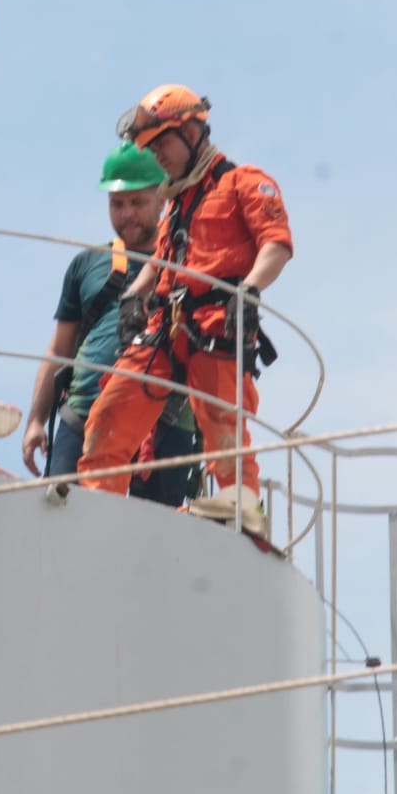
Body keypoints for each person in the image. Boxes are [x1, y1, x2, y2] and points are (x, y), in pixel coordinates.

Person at [77, 85, 293, 537]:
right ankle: (96, 509)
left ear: (193, 131)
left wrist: (249, 291)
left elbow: (276, 244)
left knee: (222, 427)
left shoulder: (243, 181)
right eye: (148, 150)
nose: (157, 158)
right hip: (164, 328)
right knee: (110, 413)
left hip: (217, 324)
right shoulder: (174, 204)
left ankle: (243, 514)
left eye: (162, 145)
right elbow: (158, 263)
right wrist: (136, 294)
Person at [21, 142, 200, 506]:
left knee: (154, 546)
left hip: (163, 422)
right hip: (83, 416)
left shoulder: (190, 262)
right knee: (63, 528)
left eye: (138, 203)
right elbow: (60, 348)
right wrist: (36, 420)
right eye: (117, 204)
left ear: (163, 199)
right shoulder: (88, 265)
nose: (126, 214)